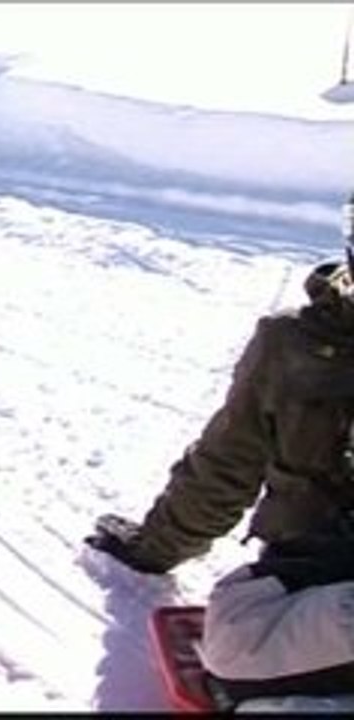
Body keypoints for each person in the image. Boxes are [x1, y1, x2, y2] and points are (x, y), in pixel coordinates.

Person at [85, 193, 354, 706]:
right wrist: (153, 548)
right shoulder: (293, 343)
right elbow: (227, 464)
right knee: (232, 638)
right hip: (316, 573)